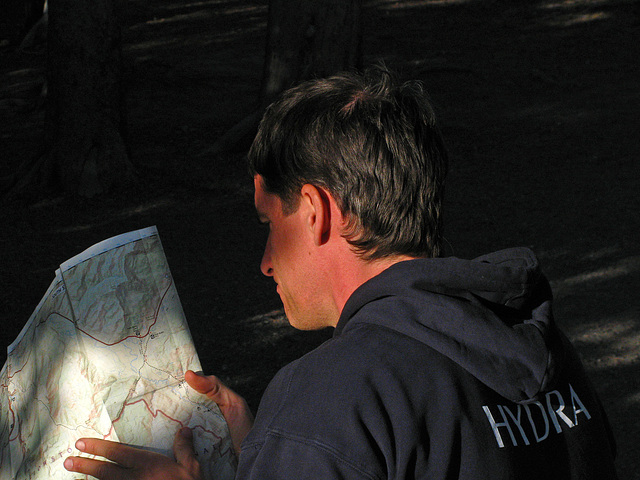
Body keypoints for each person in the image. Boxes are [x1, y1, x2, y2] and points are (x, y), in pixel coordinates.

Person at [64, 66, 618, 479]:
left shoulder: (333, 399)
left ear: (316, 210)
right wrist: (274, 451)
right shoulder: (546, 353)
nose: (263, 262)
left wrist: (302, 442)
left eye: (268, 222)